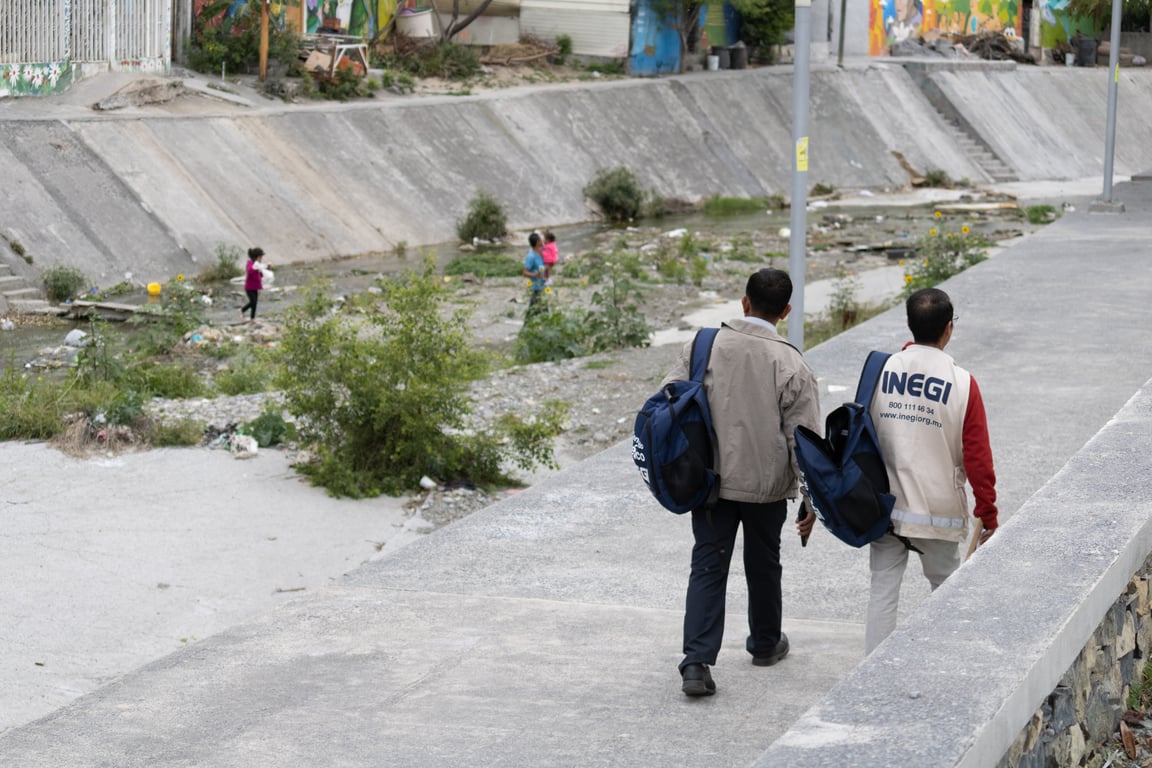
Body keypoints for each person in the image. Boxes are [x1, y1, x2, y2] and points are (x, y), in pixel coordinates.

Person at [664, 268, 821, 697]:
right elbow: (804, 441)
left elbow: (670, 400)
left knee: (708, 566)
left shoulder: (702, 345)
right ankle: (766, 644)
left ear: (744, 303)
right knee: (764, 563)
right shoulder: (792, 363)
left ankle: (696, 664)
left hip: (710, 482)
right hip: (767, 486)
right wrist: (810, 501)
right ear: (786, 311)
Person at [864, 287, 998, 655]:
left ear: (909, 325)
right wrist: (987, 512)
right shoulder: (963, 384)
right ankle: (949, 664)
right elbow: (977, 458)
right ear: (948, 329)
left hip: (886, 509)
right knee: (947, 591)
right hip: (936, 512)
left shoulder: (880, 371)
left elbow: (862, 438)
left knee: (883, 591)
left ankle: (871, 675)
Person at [522, 232, 546, 314]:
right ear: (536, 242)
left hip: (542, 285)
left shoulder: (541, 252)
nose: (542, 241)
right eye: (540, 240)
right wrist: (535, 275)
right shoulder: (531, 256)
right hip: (536, 287)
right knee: (535, 309)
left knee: (538, 308)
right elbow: (525, 272)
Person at [239, 247, 265, 321]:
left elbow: (260, 275)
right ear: (256, 257)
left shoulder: (257, 265)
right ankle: (242, 310)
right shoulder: (250, 263)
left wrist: (263, 271)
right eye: (260, 257)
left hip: (255, 287)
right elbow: (250, 271)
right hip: (249, 287)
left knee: (255, 303)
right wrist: (256, 268)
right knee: (253, 302)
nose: (261, 259)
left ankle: (252, 318)